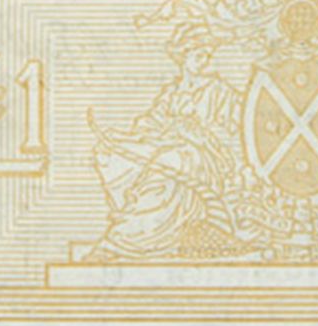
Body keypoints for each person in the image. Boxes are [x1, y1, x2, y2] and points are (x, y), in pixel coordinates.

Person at [84, 24, 246, 260]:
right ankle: (130, 214)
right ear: (184, 57)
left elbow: (239, 129)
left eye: (208, 56)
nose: (205, 61)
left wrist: (197, 132)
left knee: (167, 161)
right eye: (199, 55)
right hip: (169, 147)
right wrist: (121, 139)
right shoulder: (172, 92)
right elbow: (151, 123)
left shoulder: (219, 91)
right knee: (108, 154)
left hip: (202, 157)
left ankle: (128, 238)